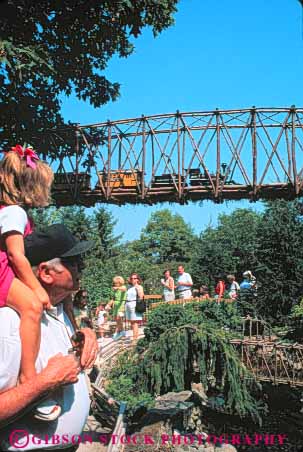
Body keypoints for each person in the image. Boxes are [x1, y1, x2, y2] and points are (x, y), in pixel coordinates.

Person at [0, 224, 98, 452]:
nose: (80, 268)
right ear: (45, 272)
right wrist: (45, 383)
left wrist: (86, 334)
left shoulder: (58, 310)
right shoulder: (10, 322)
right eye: (73, 263)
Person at [0, 145, 56, 411]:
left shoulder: (10, 210)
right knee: (32, 307)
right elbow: (15, 255)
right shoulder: (15, 212)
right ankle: (28, 377)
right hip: (1, 270)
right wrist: (37, 289)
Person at [125, 272, 144, 343]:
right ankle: (134, 337)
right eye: (131, 278)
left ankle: (135, 339)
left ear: (137, 279)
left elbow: (141, 297)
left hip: (134, 305)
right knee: (131, 323)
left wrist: (137, 289)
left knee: (135, 322)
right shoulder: (129, 287)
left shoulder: (139, 287)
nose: (133, 279)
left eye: (134, 278)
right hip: (128, 305)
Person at [107, 276, 127, 340]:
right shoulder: (115, 290)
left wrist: (117, 288)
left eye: (116, 283)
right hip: (116, 306)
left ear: (120, 282)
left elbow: (124, 289)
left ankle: (121, 332)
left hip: (121, 305)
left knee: (119, 318)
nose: (115, 284)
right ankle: (120, 331)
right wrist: (108, 305)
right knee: (117, 319)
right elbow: (113, 299)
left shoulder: (123, 287)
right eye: (114, 283)